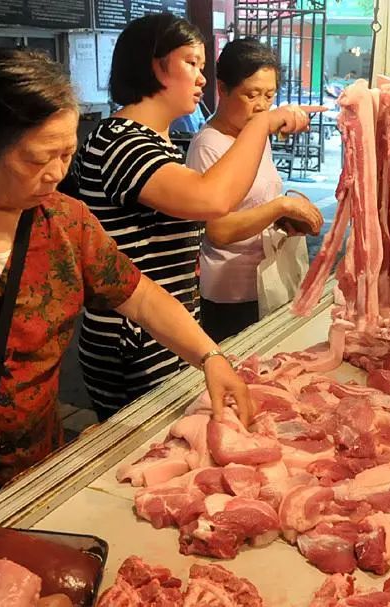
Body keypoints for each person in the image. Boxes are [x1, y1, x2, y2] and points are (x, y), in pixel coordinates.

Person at [0, 49, 252, 498]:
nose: (57, 174)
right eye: (38, 159)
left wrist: (210, 357)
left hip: (35, 472)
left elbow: (139, 296)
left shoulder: (64, 221)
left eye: (67, 154)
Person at [72, 14, 320, 419]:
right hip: (134, 338)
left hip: (166, 330)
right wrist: (263, 123)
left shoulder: (155, 142)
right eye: (191, 63)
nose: (202, 78)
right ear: (155, 65)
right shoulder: (120, 141)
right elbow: (213, 200)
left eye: (203, 66)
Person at [186, 38, 323, 342]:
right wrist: (280, 207)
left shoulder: (254, 133)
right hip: (231, 293)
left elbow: (255, 202)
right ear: (223, 89)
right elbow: (218, 230)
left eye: (269, 96)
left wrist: (284, 219)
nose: (262, 106)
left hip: (268, 280)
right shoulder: (208, 145)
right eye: (251, 94)